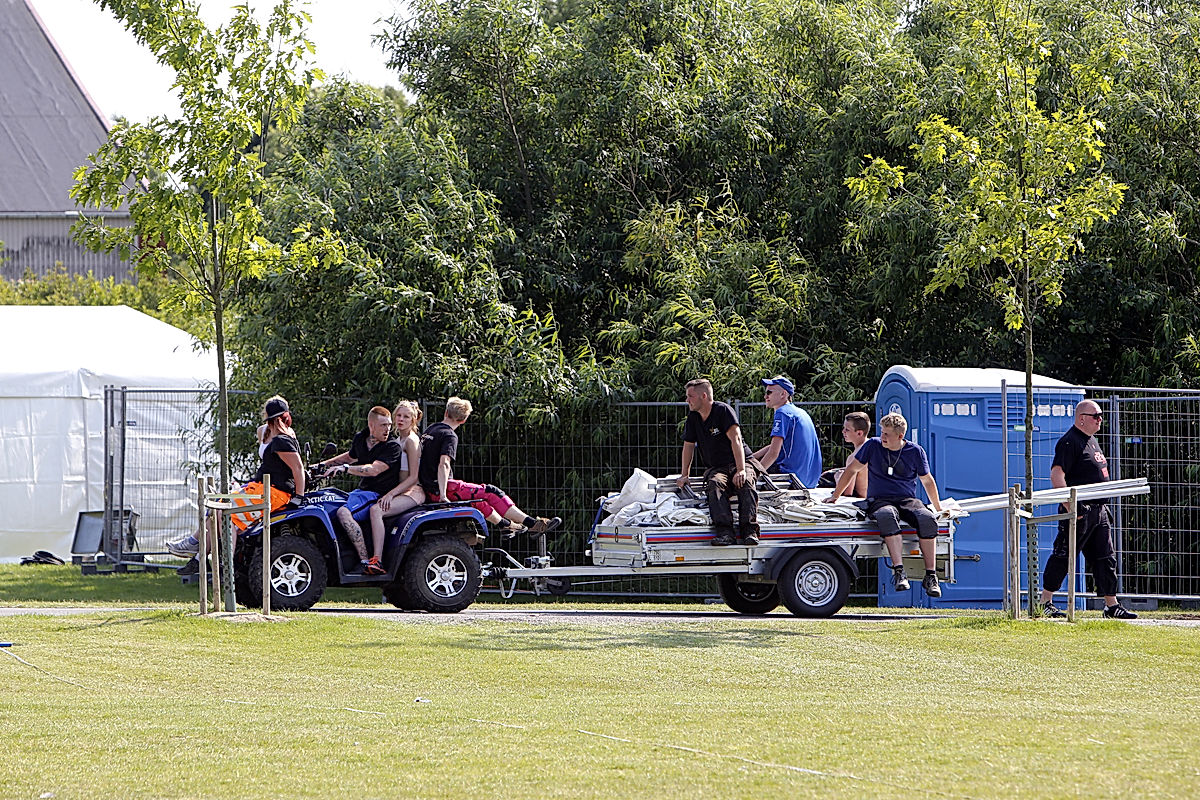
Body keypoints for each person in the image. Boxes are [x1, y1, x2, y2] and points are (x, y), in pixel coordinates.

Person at [824, 411, 943, 597]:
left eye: (887, 434)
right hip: (880, 500)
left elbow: (927, 481)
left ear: (900, 436)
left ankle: (931, 576)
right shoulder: (873, 445)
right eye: (881, 432)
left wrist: (938, 507)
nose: (882, 437)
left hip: (906, 499)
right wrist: (835, 496)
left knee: (927, 519)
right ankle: (899, 572)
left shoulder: (915, 451)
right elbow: (851, 470)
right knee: (887, 516)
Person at [167, 397, 304, 557]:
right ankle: (196, 547)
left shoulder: (283, 440)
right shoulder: (264, 432)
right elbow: (264, 432)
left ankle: (227, 565)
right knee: (215, 506)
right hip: (259, 486)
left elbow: (298, 468)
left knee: (225, 513)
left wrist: (299, 496)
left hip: (275, 492)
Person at [1039, 400, 1137, 619]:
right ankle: (1045, 601)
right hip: (1079, 510)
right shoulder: (1069, 442)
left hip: (1099, 510)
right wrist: (1071, 506)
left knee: (1105, 557)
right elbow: (1057, 475)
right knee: (1064, 555)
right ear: (1081, 418)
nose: (1100, 419)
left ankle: (1111, 606)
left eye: (1100, 415)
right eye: (1096, 415)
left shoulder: (1091, 440)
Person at [417, 397, 561, 535]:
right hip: (441, 488)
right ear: (463, 420)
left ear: (446, 413)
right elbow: (444, 464)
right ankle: (533, 524)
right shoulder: (449, 436)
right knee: (491, 492)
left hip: (427, 486)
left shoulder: (431, 429)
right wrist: (442, 495)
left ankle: (505, 526)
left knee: (478, 502)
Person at [315, 406, 404, 575]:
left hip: (378, 495)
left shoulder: (392, 446)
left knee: (343, 513)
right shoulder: (361, 438)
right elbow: (350, 456)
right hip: (361, 492)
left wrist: (345, 468)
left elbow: (373, 469)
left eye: (389, 425)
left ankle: (365, 561)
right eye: (383, 425)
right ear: (371, 425)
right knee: (328, 505)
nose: (388, 429)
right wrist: (321, 466)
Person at [676, 378, 763, 546]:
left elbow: (735, 440)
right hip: (717, 467)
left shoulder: (723, 411)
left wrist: (741, 470)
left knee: (745, 484)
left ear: (703, 396)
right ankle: (725, 533)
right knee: (715, 484)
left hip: (740, 461)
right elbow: (688, 446)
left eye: (690, 396)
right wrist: (684, 475)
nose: (687, 400)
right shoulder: (693, 418)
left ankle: (749, 531)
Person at [366, 400, 427, 564]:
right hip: (400, 490)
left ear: (413, 420)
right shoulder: (398, 439)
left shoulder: (411, 441)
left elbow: (413, 477)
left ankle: (376, 559)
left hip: (413, 492)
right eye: (398, 415)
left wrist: (390, 494)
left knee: (376, 511)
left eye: (406, 417)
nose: (401, 419)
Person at [751, 375, 822, 488]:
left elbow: (774, 453)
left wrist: (754, 475)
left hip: (792, 479)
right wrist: (751, 458)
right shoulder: (800, 412)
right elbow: (777, 446)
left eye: (769, 392)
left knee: (746, 474)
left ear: (783, 394)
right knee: (752, 463)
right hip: (810, 481)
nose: (765, 396)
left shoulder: (782, 413)